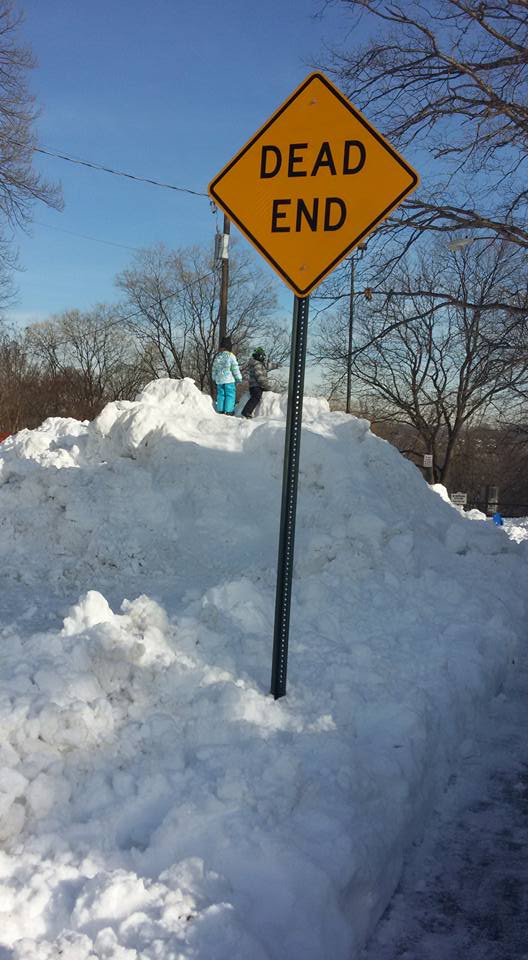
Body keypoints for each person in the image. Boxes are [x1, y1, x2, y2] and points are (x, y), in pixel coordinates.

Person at [212, 336, 243, 415]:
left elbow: (214, 368)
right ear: (229, 347)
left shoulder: (218, 356)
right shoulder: (231, 356)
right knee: (230, 394)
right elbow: (235, 368)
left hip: (219, 380)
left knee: (221, 395)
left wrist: (214, 377)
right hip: (229, 380)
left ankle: (220, 409)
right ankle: (229, 411)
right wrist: (238, 378)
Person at [241, 347, 270, 419]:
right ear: (259, 356)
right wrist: (266, 386)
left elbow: (268, 365)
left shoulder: (260, 364)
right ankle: (246, 411)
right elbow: (260, 377)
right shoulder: (257, 364)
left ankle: (247, 411)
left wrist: (278, 365)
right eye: (262, 356)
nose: (264, 358)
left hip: (256, 385)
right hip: (256, 386)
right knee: (256, 397)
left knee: (257, 396)